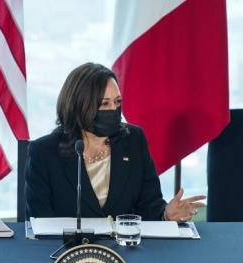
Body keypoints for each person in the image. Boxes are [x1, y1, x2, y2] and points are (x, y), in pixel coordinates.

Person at [25, 62, 204, 222]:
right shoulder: (43, 152)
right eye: (104, 104)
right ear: (80, 105)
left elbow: (149, 204)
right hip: (68, 254)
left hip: (126, 251)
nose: (113, 110)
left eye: (117, 103)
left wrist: (165, 214)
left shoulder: (134, 140)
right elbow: (39, 222)